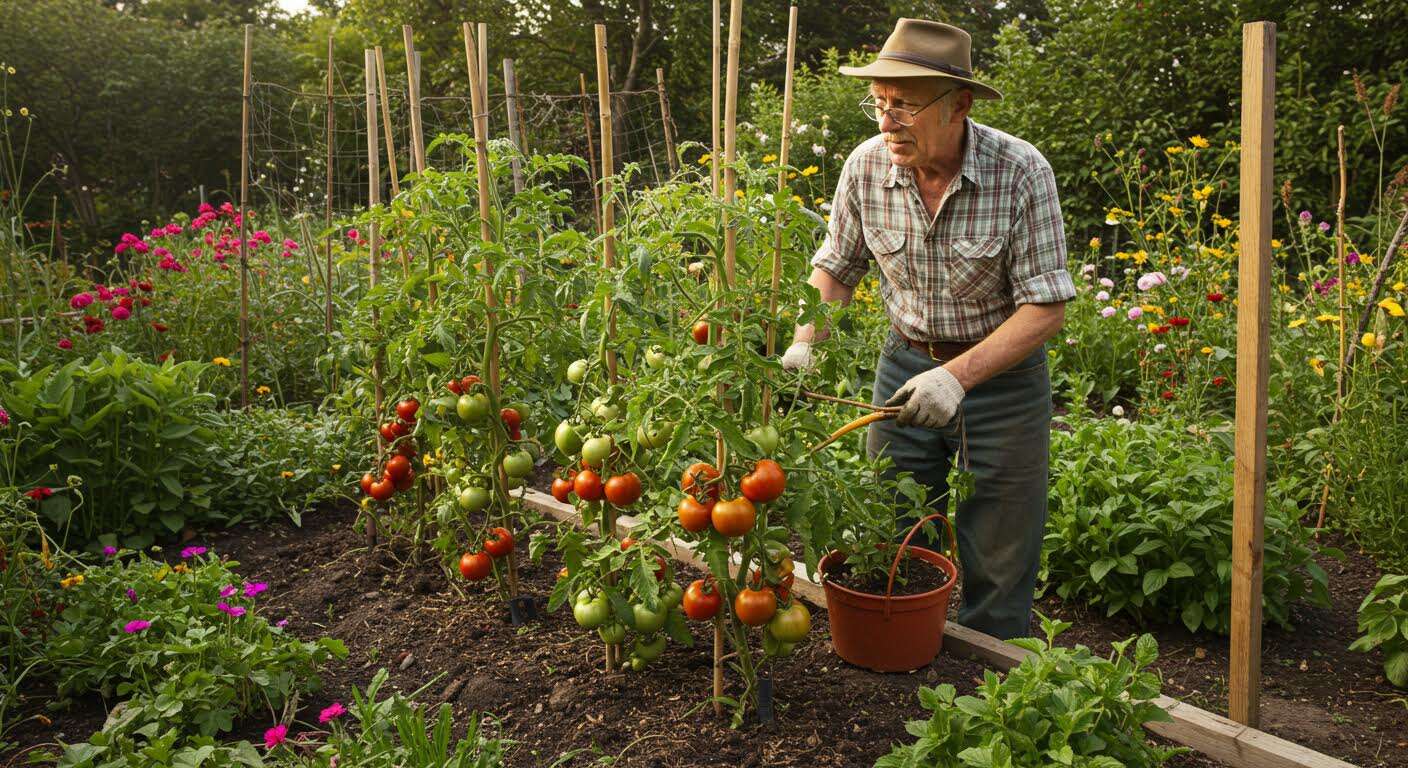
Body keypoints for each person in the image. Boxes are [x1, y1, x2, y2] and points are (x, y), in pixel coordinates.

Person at [781, 18, 1075, 640]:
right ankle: (893, 664)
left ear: (959, 104)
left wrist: (958, 377)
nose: (886, 122)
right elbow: (837, 267)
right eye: (880, 103)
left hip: (1002, 382)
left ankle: (992, 683)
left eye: (905, 106)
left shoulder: (1021, 171)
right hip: (904, 365)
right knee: (887, 525)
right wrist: (806, 341)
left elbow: (1046, 306)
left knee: (1000, 542)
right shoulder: (866, 168)